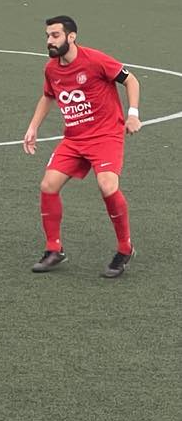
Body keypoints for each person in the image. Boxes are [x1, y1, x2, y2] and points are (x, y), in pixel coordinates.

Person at [22, 16, 140, 277]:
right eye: (47, 36)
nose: (50, 41)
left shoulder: (96, 60)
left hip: (105, 136)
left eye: (55, 35)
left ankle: (125, 248)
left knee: (107, 186)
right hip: (75, 138)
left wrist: (132, 114)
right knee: (48, 185)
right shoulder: (51, 69)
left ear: (71, 37)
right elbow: (48, 96)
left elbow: (131, 80)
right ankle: (54, 249)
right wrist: (33, 127)